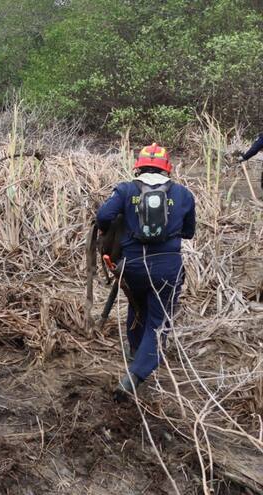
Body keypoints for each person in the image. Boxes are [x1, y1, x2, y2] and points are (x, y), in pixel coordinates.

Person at [95, 143, 196, 403]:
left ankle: (135, 353)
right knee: (158, 321)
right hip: (167, 267)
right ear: (168, 168)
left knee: (137, 306)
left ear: (138, 166)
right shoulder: (183, 194)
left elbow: (103, 216)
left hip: (133, 266)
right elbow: (188, 232)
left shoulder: (127, 189)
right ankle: (136, 376)